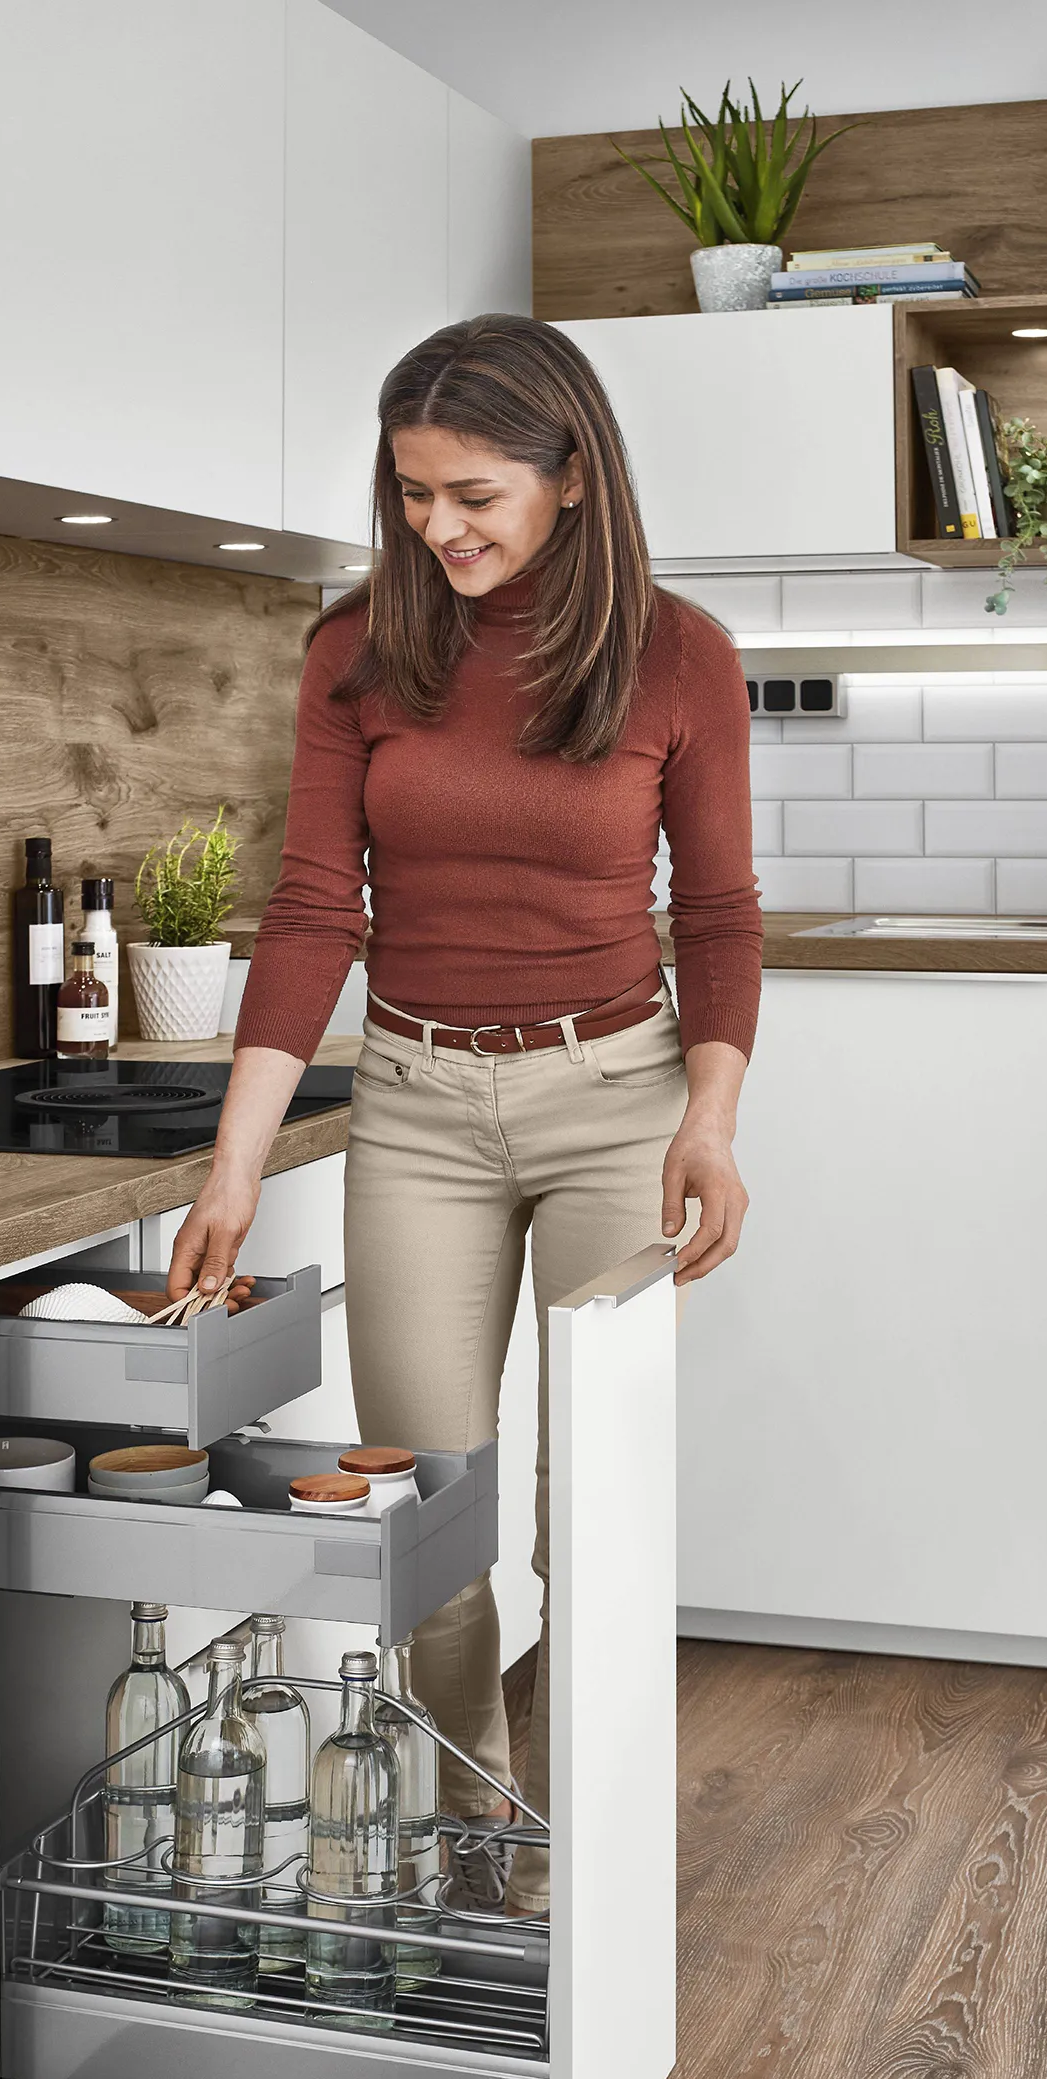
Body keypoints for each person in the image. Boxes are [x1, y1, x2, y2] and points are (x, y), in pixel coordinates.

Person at [168, 312, 761, 1914]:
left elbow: (718, 916)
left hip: (615, 1098)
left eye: (476, 492)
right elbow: (309, 911)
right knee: (426, 1520)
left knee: (595, 1523)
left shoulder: (679, 656)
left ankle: (598, 1861)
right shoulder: (356, 649)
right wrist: (233, 1166)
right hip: (417, 1103)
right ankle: (467, 1847)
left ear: (576, 479)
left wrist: (706, 1120)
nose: (441, 526)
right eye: (415, 492)